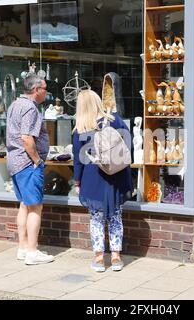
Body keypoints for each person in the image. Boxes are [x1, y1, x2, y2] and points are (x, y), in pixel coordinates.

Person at [72, 90, 133, 272]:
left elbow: (78, 159)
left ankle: (99, 259)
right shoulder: (115, 120)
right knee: (116, 217)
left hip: (93, 177)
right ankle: (116, 257)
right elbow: (128, 143)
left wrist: (77, 182)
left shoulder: (80, 129)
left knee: (96, 219)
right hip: (117, 175)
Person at [6, 74, 54, 265]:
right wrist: (36, 160)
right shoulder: (30, 108)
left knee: (25, 204)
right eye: (44, 88)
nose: (46, 92)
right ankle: (32, 252)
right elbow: (27, 138)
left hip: (15, 161)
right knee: (35, 206)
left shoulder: (15, 104)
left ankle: (23, 248)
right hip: (26, 163)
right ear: (36, 90)